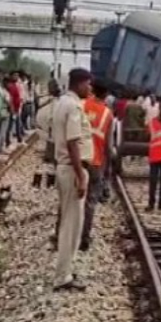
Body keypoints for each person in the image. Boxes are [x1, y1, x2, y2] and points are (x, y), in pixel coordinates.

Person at [52, 68, 93, 292]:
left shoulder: (61, 103)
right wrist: (81, 176)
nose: (90, 88)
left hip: (65, 168)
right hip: (72, 169)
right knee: (71, 224)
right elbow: (73, 142)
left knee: (71, 221)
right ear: (79, 84)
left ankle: (65, 269)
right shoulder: (74, 106)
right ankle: (63, 276)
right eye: (88, 84)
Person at [80, 78, 114, 249]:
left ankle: (63, 236)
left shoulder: (82, 105)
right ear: (106, 95)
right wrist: (108, 168)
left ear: (92, 90)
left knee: (73, 199)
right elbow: (109, 145)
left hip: (78, 159)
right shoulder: (108, 114)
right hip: (96, 162)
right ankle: (84, 239)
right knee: (90, 201)